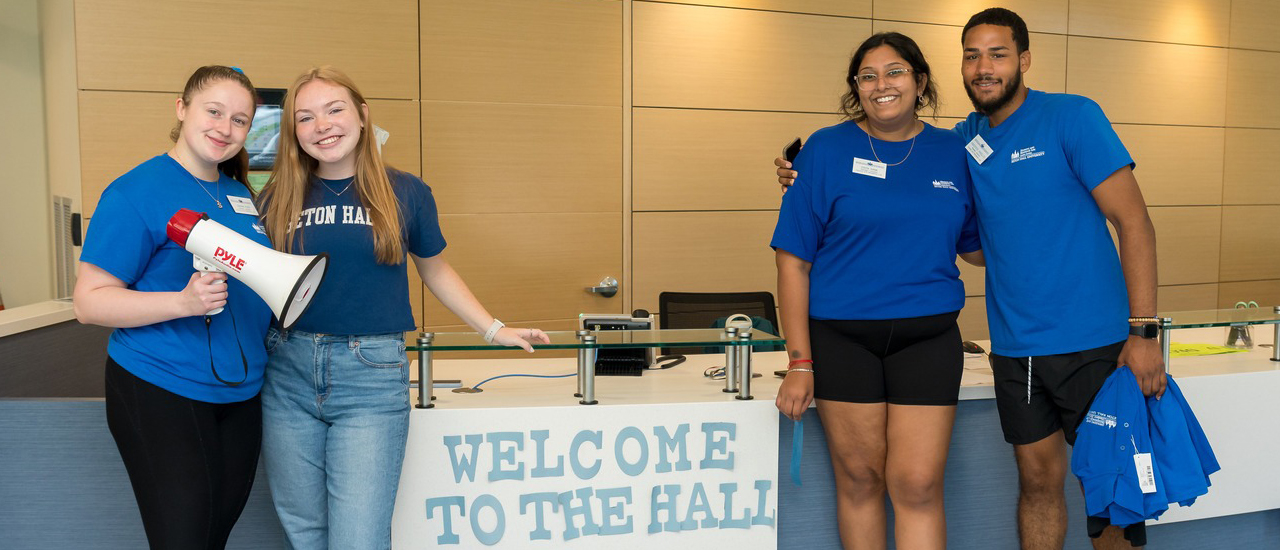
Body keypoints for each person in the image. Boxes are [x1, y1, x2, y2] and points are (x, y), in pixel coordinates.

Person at [775, 8, 1163, 549]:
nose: (984, 67)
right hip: (1014, 346)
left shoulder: (1069, 118)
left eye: (998, 53)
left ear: (1023, 59)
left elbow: (1134, 222)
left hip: (1091, 340)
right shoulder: (963, 141)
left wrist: (1144, 332)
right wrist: (801, 171)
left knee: (1111, 490)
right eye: (973, 55)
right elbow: (959, 233)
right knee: (1036, 482)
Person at [255, 66, 550, 550]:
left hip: (369, 375)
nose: (321, 125)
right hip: (285, 372)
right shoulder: (275, 196)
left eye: (335, 110)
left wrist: (493, 328)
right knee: (304, 531)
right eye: (305, 118)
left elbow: (434, 269)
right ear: (293, 132)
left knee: (358, 539)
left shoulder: (406, 192)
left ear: (363, 116)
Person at [771, 33, 983, 550]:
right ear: (856, 89)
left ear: (920, 81)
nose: (881, 85)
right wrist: (799, 363)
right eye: (868, 76)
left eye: (895, 72)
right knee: (862, 482)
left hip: (927, 340)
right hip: (843, 342)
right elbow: (792, 263)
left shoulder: (954, 151)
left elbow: (976, 249)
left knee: (917, 485)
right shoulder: (824, 149)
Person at [74, 65, 270, 549]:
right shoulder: (134, 192)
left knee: (211, 538)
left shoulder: (240, 193)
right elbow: (88, 303)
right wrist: (183, 302)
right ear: (181, 109)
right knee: (182, 540)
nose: (225, 128)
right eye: (214, 111)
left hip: (240, 393)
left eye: (240, 120)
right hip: (161, 387)